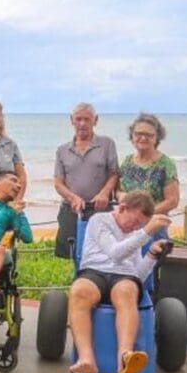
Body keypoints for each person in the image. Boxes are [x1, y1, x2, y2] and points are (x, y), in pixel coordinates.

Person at [68, 191, 172, 373]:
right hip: (94, 271)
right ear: (122, 208)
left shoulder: (137, 233)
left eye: (139, 225)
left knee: (127, 291)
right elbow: (115, 253)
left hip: (124, 277)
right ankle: (86, 359)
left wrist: (150, 256)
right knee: (79, 290)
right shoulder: (99, 220)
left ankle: (125, 357)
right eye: (134, 222)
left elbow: (138, 274)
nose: (134, 227)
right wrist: (146, 231)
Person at [53, 103, 119, 258]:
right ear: (72, 120)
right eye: (78, 119)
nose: (82, 123)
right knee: (72, 253)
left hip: (101, 209)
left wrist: (104, 193)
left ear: (95, 120)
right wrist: (72, 197)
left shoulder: (107, 144)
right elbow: (58, 182)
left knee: (102, 254)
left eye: (87, 119)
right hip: (71, 210)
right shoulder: (62, 150)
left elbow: (114, 173)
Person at [118, 113, 179, 217]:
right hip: (127, 223)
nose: (143, 138)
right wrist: (120, 196)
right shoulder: (127, 162)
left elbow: (172, 201)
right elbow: (118, 189)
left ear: (156, 138)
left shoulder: (166, 164)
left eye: (149, 135)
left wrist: (144, 214)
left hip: (154, 225)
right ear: (132, 136)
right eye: (138, 134)